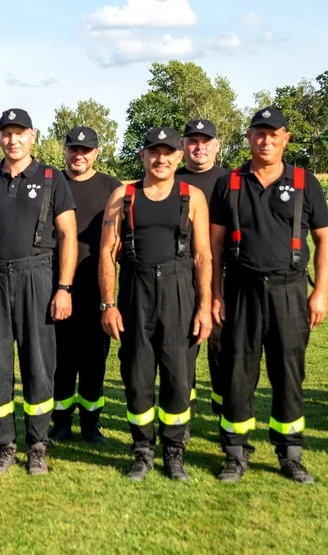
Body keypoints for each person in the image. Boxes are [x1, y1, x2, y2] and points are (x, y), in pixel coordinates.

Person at [210, 107, 328, 484]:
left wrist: (321, 293)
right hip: (241, 291)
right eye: (259, 133)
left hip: (289, 291)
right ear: (248, 137)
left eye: (273, 134)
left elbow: (324, 239)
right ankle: (235, 453)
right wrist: (215, 295)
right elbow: (214, 246)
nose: (266, 140)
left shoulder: (303, 182)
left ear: (286, 138)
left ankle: (290, 453)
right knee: (237, 375)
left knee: (288, 374)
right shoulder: (228, 183)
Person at [0, 108, 77, 475]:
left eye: (20, 133)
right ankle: (5, 446)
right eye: (6, 133)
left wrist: (63, 288)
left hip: (38, 275)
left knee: (38, 365)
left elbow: (68, 237)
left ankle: (37, 446)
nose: (13, 140)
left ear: (33, 135)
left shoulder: (51, 178)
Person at [99, 127, 212, 481]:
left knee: (179, 379)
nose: (160, 159)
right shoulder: (123, 196)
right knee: (136, 377)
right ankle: (143, 451)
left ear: (179, 156)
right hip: (136, 293)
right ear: (142, 156)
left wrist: (205, 306)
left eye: (167, 152)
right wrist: (108, 304)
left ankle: (174, 452)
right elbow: (107, 252)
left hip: (180, 294)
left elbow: (203, 255)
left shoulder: (192, 197)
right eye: (153, 152)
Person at [49, 126, 120, 444]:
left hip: (95, 290)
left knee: (94, 362)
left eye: (86, 150)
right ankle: (60, 424)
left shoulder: (111, 187)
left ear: (96, 153)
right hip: (54, 286)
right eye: (73, 148)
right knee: (60, 361)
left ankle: (91, 426)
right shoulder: (50, 182)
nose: (79, 155)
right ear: (64, 150)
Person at [176, 119, 229, 416]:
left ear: (216, 145)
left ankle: (223, 412)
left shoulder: (231, 181)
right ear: (183, 146)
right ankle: (184, 409)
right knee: (185, 346)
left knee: (223, 348)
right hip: (181, 274)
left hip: (221, 276)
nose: (199, 147)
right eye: (193, 141)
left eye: (205, 141)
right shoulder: (171, 178)